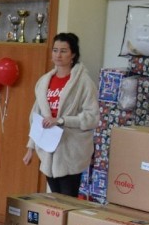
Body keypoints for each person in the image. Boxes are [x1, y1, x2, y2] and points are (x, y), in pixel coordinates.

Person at [23, 32, 99, 196]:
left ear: (73, 54)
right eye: (55, 50)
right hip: (48, 148)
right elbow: (36, 116)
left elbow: (92, 117)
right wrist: (30, 148)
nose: (58, 55)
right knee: (54, 199)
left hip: (71, 149)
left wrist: (62, 120)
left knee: (67, 199)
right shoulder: (44, 81)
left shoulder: (84, 82)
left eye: (63, 51)